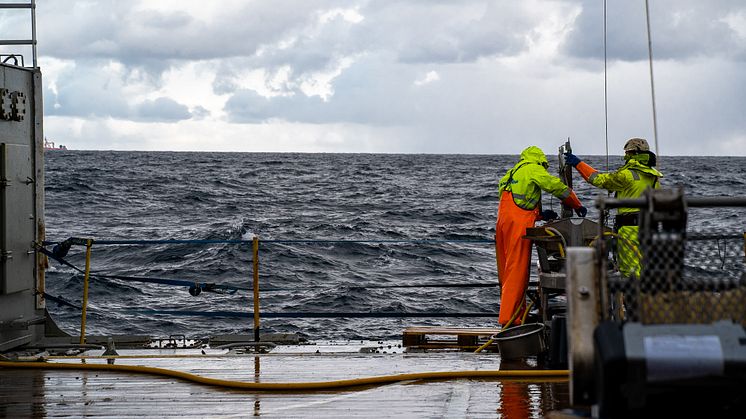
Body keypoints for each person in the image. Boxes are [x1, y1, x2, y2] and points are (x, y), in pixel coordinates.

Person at [496, 146, 587, 327]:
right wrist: (575, 204)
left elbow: (518, 203)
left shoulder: (512, 173)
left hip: (502, 225)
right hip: (518, 226)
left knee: (507, 271)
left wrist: (539, 215)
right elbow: (555, 187)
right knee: (517, 270)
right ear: (540, 161)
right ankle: (509, 320)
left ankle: (517, 313)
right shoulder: (533, 168)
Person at [564, 137, 662, 278]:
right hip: (649, 228)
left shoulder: (627, 175)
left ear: (634, 153)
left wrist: (578, 164)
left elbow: (598, 179)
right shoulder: (653, 176)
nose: (625, 156)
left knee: (630, 272)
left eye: (627, 153)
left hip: (630, 230)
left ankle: (633, 299)